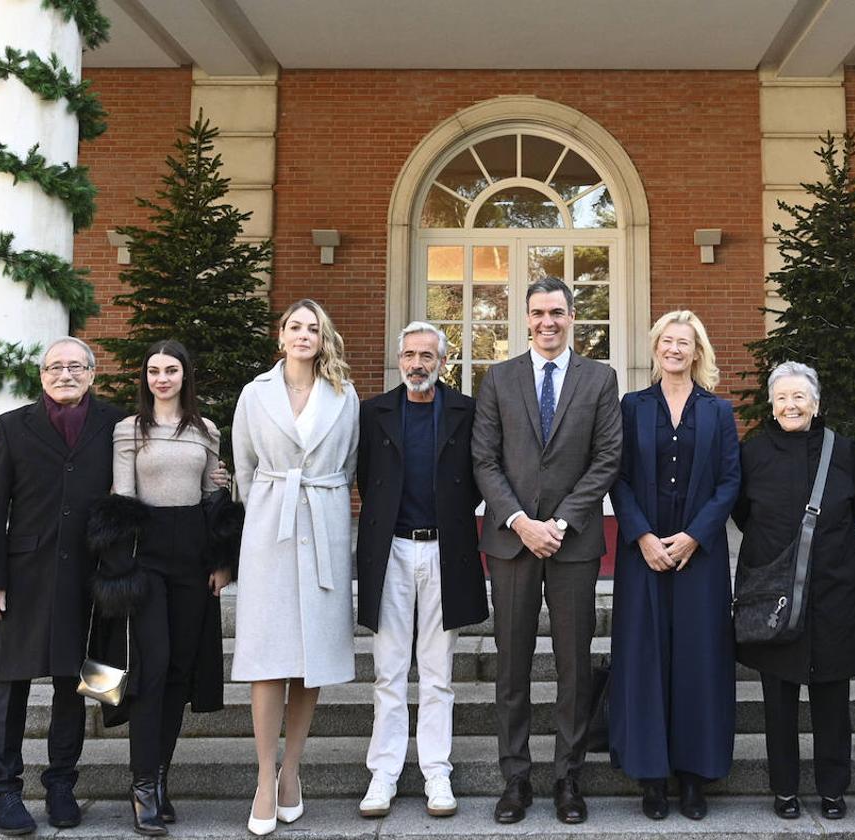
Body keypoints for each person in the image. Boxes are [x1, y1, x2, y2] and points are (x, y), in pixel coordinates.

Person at [472, 275, 622, 825]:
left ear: (571, 317)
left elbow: (607, 459)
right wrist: (519, 521)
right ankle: (515, 779)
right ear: (526, 318)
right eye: (537, 313)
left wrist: (557, 523)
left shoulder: (600, 379)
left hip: (574, 543)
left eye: (556, 312)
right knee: (511, 666)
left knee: (574, 668)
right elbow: (484, 460)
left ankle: (568, 778)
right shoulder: (499, 378)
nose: (547, 322)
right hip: (511, 545)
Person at [0, 337, 125, 836]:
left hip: (91, 575)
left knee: (75, 682)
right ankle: (5, 792)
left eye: (76, 366)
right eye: (55, 367)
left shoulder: (116, 423)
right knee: (11, 684)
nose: (66, 374)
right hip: (24, 575)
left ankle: (62, 784)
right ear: (42, 375)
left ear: (92, 373)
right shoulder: (12, 426)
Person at [86, 340, 234, 835]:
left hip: (192, 556)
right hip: (145, 556)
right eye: (153, 371)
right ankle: (142, 785)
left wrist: (221, 562)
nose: (162, 378)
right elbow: (123, 495)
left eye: (171, 370)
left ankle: (161, 778)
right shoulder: (128, 429)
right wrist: (119, 567)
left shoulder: (206, 430)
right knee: (149, 668)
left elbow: (214, 498)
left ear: (185, 376)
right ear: (145, 377)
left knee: (179, 671)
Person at [231, 299, 360, 836]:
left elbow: (349, 463)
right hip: (270, 526)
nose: (304, 335)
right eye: (295, 327)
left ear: (323, 337)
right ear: (280, 336)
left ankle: (293, 771)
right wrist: (269, 504)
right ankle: (264, 776)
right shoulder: (254, 393)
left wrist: (322, 501)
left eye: (313, 328)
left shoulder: (344, 394)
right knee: (267, 656)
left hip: (325, 523)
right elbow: (243, 466)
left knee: (312, 658)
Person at [608, 310, 740, 821]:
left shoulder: (719, 411)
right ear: (656, 348)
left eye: (684, 342)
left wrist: (693, 537)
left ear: (697, 350)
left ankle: (693, 778)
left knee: (698, 661)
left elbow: (730, 481)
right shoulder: (632, 406)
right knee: (644, 660)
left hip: (698, 558)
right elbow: (616, 478)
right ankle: (651, 778)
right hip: (642, 554)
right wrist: (642, 536)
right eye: (667, 340)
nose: (675, 349)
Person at [733, 361, 855, 821]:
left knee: (833, 697)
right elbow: (742, 513)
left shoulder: (847, 453)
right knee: (778, 699)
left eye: (799, 397)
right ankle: (785, 790)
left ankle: (833, 789)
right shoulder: (751, 453)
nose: (790, 405)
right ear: (771, 405)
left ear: (815, 404)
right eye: (782, 398)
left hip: (835, 590)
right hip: (774, 593)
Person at [355, 322, 488, 818]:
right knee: (388, 671)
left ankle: (437, 772)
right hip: (390, 551)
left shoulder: (465, 411)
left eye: (426, 355)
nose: (417, 364)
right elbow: (367, 479)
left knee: (437, 672)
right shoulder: (373, 413)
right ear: (399, 359)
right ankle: (383, 775)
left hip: (444, 552)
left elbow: (475, 480)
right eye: (409, 354)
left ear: (442, 361)